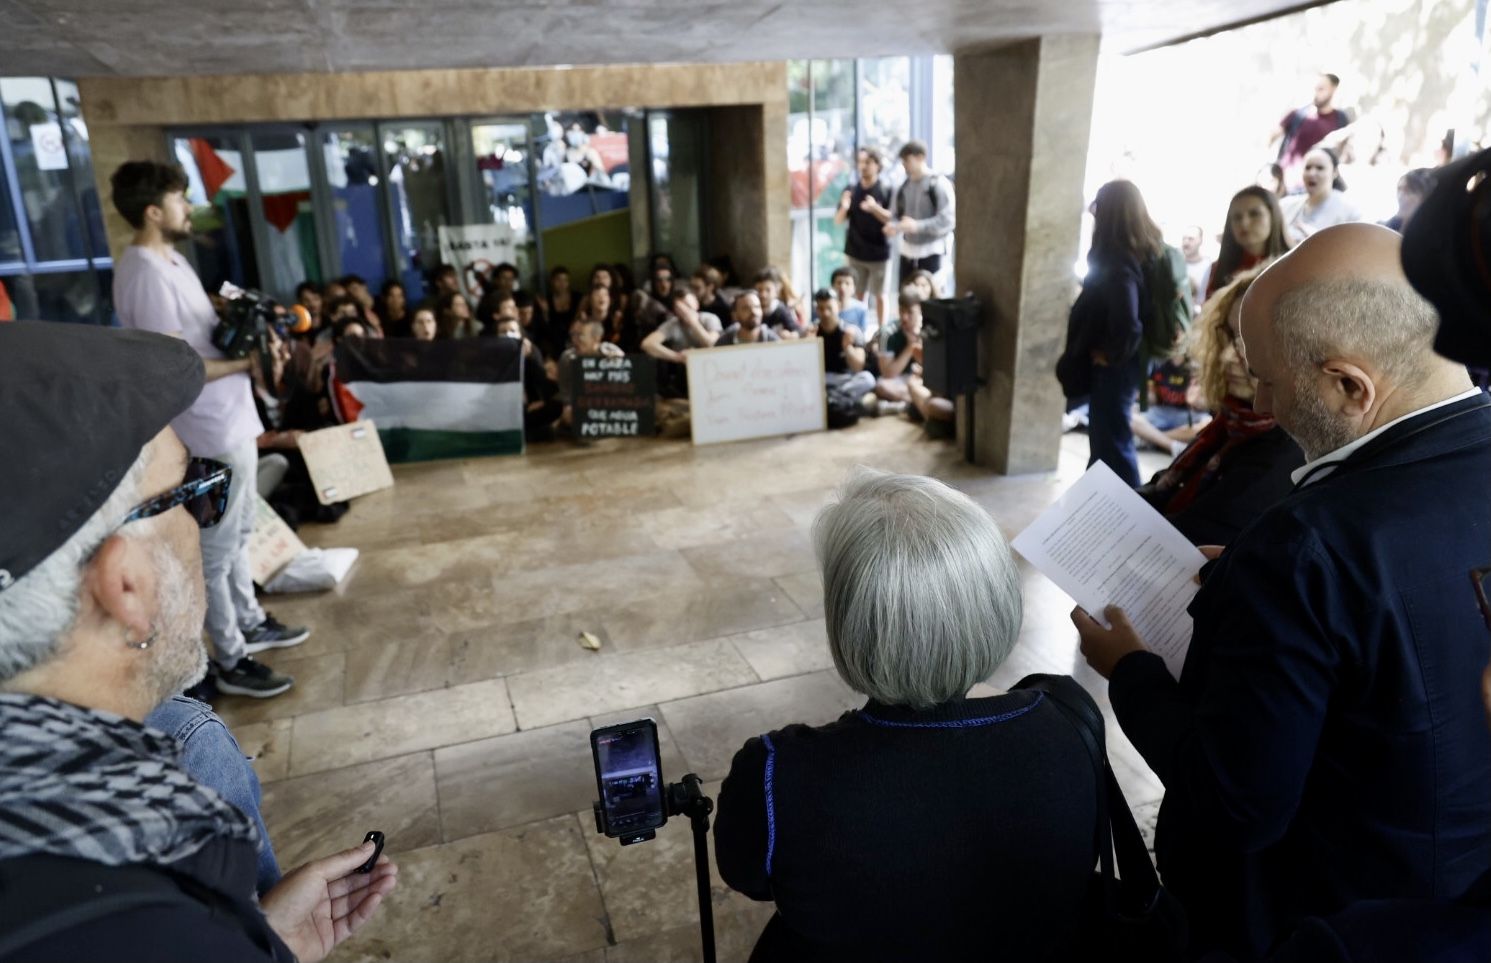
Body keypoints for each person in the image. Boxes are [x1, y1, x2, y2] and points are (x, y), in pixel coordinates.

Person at [1075, 223, 1491, 959]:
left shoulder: (1304, 547)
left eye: (1266, 379)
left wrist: (1130, 669)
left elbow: (1235, 806)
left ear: (1347, 385)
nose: (1255, 396)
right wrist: (1243, 579)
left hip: (1322, 922)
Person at [0, 321, 397, 962]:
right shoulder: (147, 907)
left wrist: (270, 943)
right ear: (124, 583)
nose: (203, 521)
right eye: (193, 492)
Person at [715, 468, 1099, 960]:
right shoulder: (1070, 717)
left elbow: (749, 877)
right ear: (998, 601)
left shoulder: (775, 774)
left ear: (849, 620)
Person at [109, 160, 303, 699]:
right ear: (153, 211)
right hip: (207, 426)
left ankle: (250, 622)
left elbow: (201, 341)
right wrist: (248, 365)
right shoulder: (145, 272)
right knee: (216, 549)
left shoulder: (171, 261)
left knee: (240, 534)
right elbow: (171, 366)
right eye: (179, 199)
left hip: (229, 418)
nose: (189, 207)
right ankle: (230, 658)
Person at [1136, 269, 1304, 545]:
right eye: (1228, 337)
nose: (1227, 356)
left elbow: (1202, 532)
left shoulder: (1287, 445)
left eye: (1249, 341)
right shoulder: (1231, 420)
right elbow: (1165, 484)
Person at [1067, 179, 1160, 486]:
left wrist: (1112, 354)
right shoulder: (1143, 250)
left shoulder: (1118, 258)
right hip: (1132, 361)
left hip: (1119, 365)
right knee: (1107, 436)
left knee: (1113, 440)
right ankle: (1098, 498)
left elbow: (1128, 320)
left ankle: (1129, 506)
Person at [834, 146, 894, 329]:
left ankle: (882, 333)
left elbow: (892, 219)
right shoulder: (851, 189)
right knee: (859, 294)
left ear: (877, 165)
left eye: (867, 162)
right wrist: (844, 206)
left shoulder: (886, 189)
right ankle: (859, 330)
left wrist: (875, 208)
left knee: (881, 295)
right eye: (860, 162)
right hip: (855, 251)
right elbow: (838, 220)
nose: (863, 166)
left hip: (879, 253)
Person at [881, 140, 956, 283]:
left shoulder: (938, 184)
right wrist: (895, 226)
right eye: (903, 161)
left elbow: (948, 220)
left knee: (930, 297)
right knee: (906, 295)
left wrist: (917, 226)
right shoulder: (903, 186)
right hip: (908, 250)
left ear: (920, 157)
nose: (904, 165)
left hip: (933, 250)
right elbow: (896, 215)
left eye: (907, 161)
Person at [1205, 186, 1294, 299]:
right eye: (1237, 217)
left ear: (1273, 216)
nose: (1244, 223)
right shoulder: (1219, 269)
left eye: (1254, 214)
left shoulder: (1295, 263)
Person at [1270, 72, 1352, 191]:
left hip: (1317, 188)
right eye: (1314, 89)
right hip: (1287, 185)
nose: (1316, 93)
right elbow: (1272, 136)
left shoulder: (1341, 119)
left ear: (1333, 90)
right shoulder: (1298, 114)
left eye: (1321, 89)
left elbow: (1345, 152)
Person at [641, 289, 722, 396]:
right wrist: (678, 357)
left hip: (710, 369)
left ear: (696, 304)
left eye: (688, 305)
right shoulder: (673, 324)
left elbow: (711, 344)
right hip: (684, 372)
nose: (684, 310)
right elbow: (647, 344)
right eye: (680, 307)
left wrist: (693, 323)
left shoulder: (710, 319)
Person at [494, 317, 562, 440]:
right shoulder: (491, 360)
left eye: (513, 330)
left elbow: (547, 387)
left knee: (556, 406)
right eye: (503, 332)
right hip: (501, 411)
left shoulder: (530, 354)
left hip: (526, 411)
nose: (509, 335)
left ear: (520, 335)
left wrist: (531, 358)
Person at [1129, 354, 1208, 456]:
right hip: (1162, 412)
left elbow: (1204, 404)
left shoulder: (1195, 366)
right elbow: (1153, 398)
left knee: (1207, 424)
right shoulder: (1157, 363)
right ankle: (1172, 446)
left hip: (1188, 416)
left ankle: (1152, 439)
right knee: (1130, 416)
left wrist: (1196, 398)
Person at [1281, 148, 1361, 241]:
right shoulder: (1285, 205)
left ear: (1335, 172)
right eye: (1308, 167)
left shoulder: (1350, 211)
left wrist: (1320, 240)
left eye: (1320, 168)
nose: (1312, 173)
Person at [810, 288, 875, 402]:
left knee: (867, 379)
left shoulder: (852, 331)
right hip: (821, 380)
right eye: (821, 309)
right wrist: (808, 345)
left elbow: (858, 367)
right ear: (816, 310)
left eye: (829, 308)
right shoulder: (811, 332)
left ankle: (833, 397)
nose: (825, 313)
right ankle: (837, 399)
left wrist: (847, 347)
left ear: (838, 307)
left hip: (845, 380)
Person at [874, 288, 923, 414]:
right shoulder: (887, 333)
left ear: (920, 311)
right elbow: (888, 373)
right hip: (897, 381)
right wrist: (910, 347)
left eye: (910, 312)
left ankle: (902, 406)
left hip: (918, 379)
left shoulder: (928, 330)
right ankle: (914, 405)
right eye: (902, 311)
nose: (905, 317)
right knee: (881, 386)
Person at [715, 290, 780, 346]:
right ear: (735, 315)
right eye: (746, 308)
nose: (753, 312)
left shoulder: (773, 341)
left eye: (757, 307)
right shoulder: (724, 342)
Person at [752, 267, 803, 337]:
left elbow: (798, 331)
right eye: (759, 290)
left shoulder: (782, 311)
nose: (763, 295)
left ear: (776, 291)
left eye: (768, 290)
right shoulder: (752, 311)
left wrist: (791, 335)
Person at [1381, 168, 1435, 233]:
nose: (1400, 196)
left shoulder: (1429, 233)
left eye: (1408, 191)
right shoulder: (1390, 225)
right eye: (1399, 189)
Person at [828, 266, 869, 335]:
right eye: (839, 283)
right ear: (832, 286)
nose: (842, 287)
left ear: (854, 288)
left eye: (847, 283)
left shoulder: (861, 309)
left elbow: (862, 334)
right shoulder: (824, 307)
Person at [1181, 225, 1209, 305]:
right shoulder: (1175, 267)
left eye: (1191, 239)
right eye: (1184, 239)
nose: (1186, 243)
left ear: (1200, 240)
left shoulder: (1209, 267)